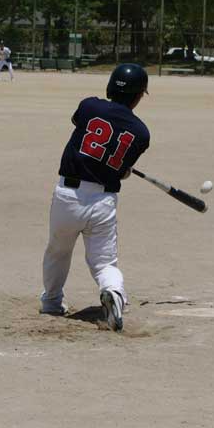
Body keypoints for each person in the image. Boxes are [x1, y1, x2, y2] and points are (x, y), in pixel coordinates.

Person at [39, 64, 151, 333]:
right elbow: (121, 171)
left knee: (58, 250)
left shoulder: (90, 106)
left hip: (68, 195)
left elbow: (85, 129)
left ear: (110, 86)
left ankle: (52, 302)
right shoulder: (141, 132)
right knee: (104, 263)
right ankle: (113, 292)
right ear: (138, 96)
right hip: (103, 202)